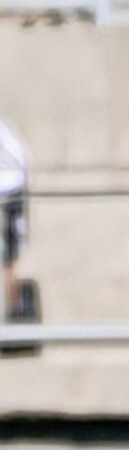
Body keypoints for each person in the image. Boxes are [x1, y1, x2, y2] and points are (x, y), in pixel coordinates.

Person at [0, 116, 29, 323]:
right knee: (10, 258)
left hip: (10, 192)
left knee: (10, 258)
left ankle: (14, 310)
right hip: (13, 191)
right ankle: (14, 309)